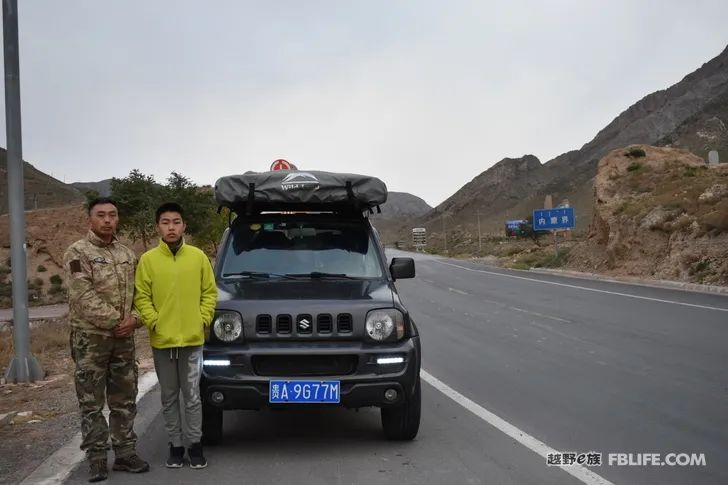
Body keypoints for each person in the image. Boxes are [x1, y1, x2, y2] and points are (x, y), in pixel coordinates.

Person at [63, 197, 150, 482]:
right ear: (90, 219)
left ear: (118, 219)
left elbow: (141, 293)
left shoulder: (127, 254)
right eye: (101, 215)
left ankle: (125, 452)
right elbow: (82, 296)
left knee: (124, 398)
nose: (107, 220)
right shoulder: (77, 252)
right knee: (91, 401)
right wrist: (117, 322)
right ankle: (97, 457)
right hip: (91, 339)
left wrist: (135, 319)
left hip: (123, 339)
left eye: (112, 215)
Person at [134, 202, 217, 469]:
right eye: (166, 222)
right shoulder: (148, 261)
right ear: (158, 226)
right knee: (169, 397)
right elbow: (142, 297)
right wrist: (155, 322)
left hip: (193, 342)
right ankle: (176, 446)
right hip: (163, 343)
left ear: (184, 226)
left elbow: (209, 293)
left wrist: (203, 319)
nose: (172, 227)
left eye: (176, 222)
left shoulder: (198, 257)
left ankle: (195, 445)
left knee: (192, 396)